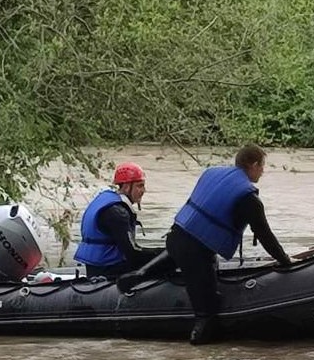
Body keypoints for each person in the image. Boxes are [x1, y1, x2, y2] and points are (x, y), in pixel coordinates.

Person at [122, 144, 292, 345]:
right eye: (262, 167)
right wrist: (285, 261)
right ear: (254, 165)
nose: (263, 172)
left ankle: (138, 275)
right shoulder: (248, 198)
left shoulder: (213, 173)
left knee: (181, 254)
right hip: (197, 253)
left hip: (176, 238)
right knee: (208, 314)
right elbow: (265, 235)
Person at [74, 162, 161, 278]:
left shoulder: (107, 199)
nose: (144, 190)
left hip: (95, 265)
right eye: (140, 186)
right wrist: (167, 254)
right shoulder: (118, 213)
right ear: (126, 186)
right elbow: (133, 254)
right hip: (109, 268)